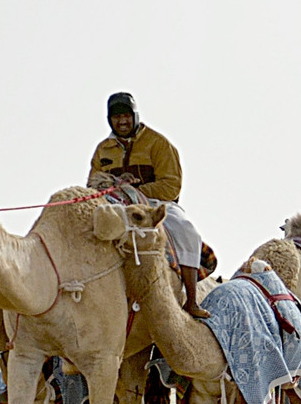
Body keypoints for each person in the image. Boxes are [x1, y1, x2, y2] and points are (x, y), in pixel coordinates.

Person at [88, 92, 210, 318]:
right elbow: (92, 184)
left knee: (187, 230)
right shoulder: (103, 149)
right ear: (109, 120)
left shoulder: (158, 143)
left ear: (134, 116)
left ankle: (191, 300)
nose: (122, 121)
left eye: (126, 116)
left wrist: (138, 191)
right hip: (116, 203)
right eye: (116, 117)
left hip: (155, 204)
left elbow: (171, 186)